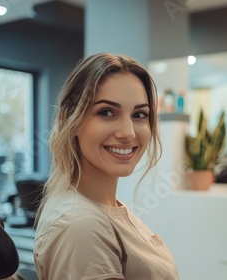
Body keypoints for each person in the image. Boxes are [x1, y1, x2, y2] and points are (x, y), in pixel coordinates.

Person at [34, 53, 179, 279]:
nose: (128, 132)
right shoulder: (81, 227)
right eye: (107, 112)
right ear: (69, 119)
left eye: (139, 114)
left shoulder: (104, 207)